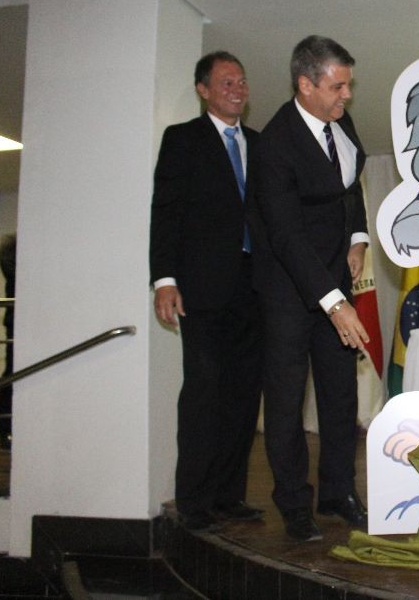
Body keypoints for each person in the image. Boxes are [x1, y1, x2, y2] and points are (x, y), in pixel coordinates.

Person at [247, 35, 370, 542]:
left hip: (334, 275)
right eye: (337, 87)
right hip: (287, 290)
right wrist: (336, 304)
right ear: (305, 84)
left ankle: (338, 492)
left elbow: (349, 188)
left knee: (341, 394)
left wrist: (357, 239)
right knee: (286, 402)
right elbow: (286, 237)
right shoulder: (274, 145)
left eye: (348, 85)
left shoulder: (341, 122)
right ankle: (294, 504)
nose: (347, 96)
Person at [149, 51, 264, 532]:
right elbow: (166, 212)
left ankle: (228, 496)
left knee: (243, 395)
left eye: (241, 81)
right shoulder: (182, 140)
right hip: (202, 288)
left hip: (255, 289)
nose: (237, 89)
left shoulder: (260, 144)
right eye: (225, 82)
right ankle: (194, 501)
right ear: (203, 90)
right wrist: (164, 280)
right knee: (203, 393)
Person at [0, 233, 16, 450]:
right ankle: (5, 427)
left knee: (11, 373)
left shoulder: (13, 274)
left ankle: (5, 428)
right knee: (11, 374)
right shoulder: (18, 277)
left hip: (14, 324)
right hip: (16, 325)